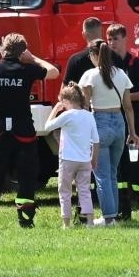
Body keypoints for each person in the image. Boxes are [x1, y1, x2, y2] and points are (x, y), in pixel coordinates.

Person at [0, 33, 60, 228]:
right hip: (24, 129)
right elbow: (54, 72)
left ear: (2, 50)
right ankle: (25, 220)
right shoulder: (28, 69)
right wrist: (33, 58)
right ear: (22, 52)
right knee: (26, 174)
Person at [80, 39, 138, 225]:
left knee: (101, 174)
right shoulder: (121, 74)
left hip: (100, 122)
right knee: (112, 173)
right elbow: (128, 107)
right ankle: (112, 215)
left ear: (93, 55)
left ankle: (109, 217)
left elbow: (84, 106)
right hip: (119, 123)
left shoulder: (90, 75)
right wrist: (133, 132)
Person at [108, 23, 139, 220]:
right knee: (118, 166)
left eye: (115, 39)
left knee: (137, 165)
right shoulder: (106, 65)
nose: (111, 43)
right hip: (113, 120)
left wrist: (126, 98)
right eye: (109, 39)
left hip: (135, 122)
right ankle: (123, 210)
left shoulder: (136, 64)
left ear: (124, 39)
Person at [45, 83, 100, 228]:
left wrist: (55, 109)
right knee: (84, 191)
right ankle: (89, 222)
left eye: (61, 102)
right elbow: (96, 141)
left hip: (68, 159)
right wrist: (93, 159)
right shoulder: (89, 116)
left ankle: (66, 223)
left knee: (65, 191)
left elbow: (47, 127)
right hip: (85, 160)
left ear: (66, 101)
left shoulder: (67, 115)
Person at [62, 17, 105, 83]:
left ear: (83, 35)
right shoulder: (115, 56)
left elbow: (65, 90)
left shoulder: (75, 60)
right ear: (102, 31)